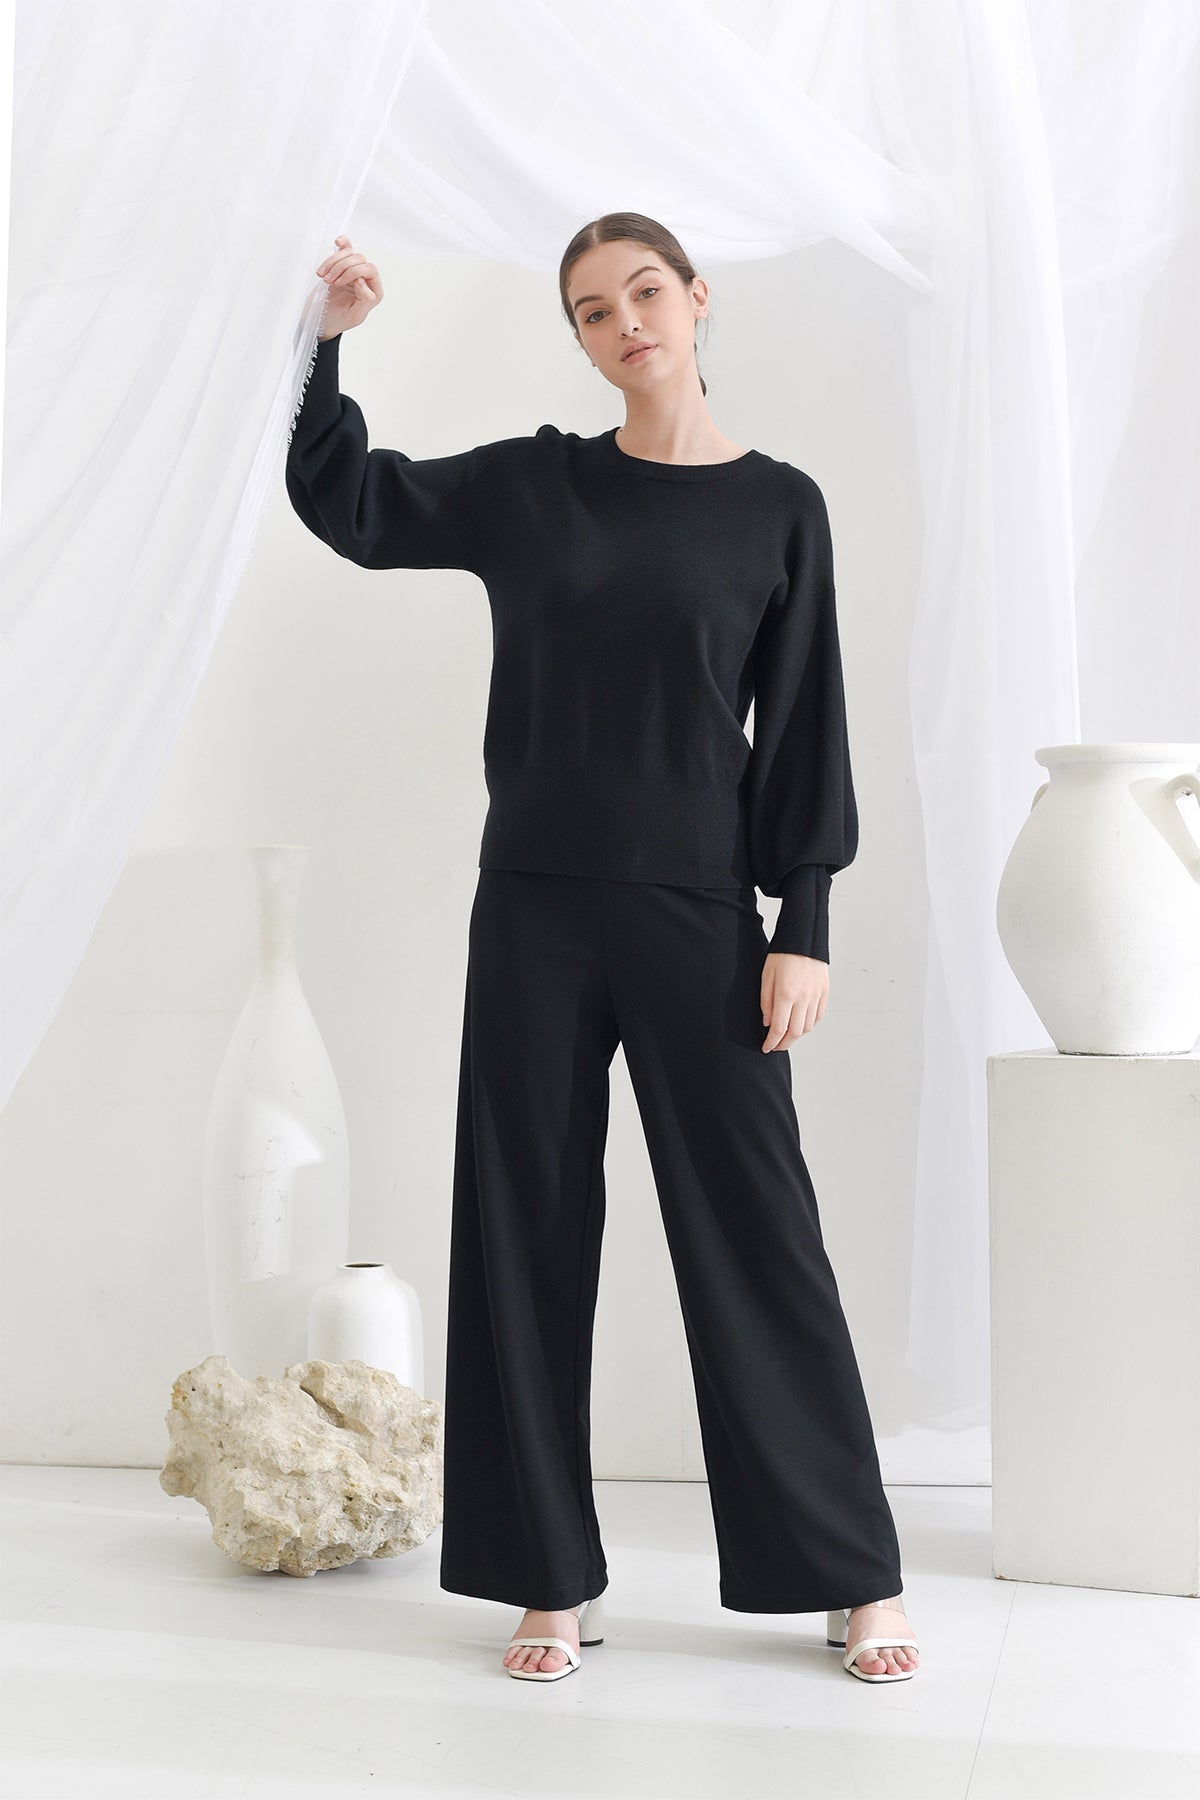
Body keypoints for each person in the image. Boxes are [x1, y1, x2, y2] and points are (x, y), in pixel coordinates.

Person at [285, 216, 920, 1686]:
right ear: (577, 341)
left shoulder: (780, 508)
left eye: (644, 292)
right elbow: (353, 502)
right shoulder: (532, 486)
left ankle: (850, 1572)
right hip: (534, 911)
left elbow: (804, 727)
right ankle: (544, 1580)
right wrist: (322, 347)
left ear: (696, 301)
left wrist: (803, 924)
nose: (625, 322)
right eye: (591, 310)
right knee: (521, 1229)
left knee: (757, 1235)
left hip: (701, 914)